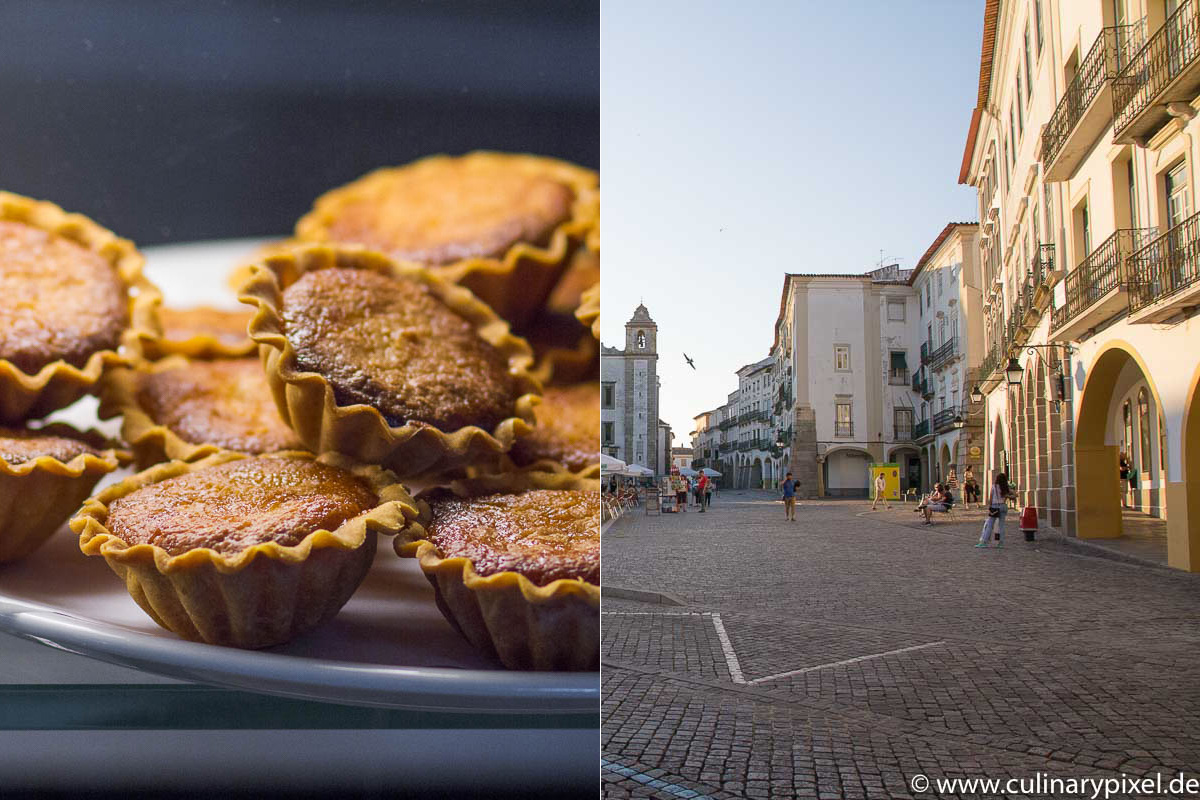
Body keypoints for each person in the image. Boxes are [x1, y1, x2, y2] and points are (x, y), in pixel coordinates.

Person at [976, 472, 1011, 548]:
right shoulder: (1005, 487)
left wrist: (990, 506)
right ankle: (1001, 543)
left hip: (995, 506)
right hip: (1003, 506)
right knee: (1001, 525)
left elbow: (991, 497)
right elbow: (1008, 496)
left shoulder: (994, 486)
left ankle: (984, 542)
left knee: (990, 524)